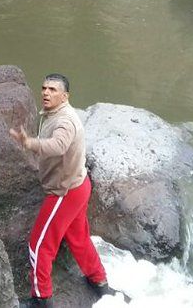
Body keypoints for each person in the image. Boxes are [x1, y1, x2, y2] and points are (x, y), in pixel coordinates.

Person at [9, 74, 116, 307]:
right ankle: (100, 282)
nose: (46, 93)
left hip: (64, 192)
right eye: (44, 88)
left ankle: (41, 298)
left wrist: (29, 143)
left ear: (65, 96)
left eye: (53, 90)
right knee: (79, 239)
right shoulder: (53, 114)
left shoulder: (64, 120)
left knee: (38, 246)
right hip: (79, 185)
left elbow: (58, 146)